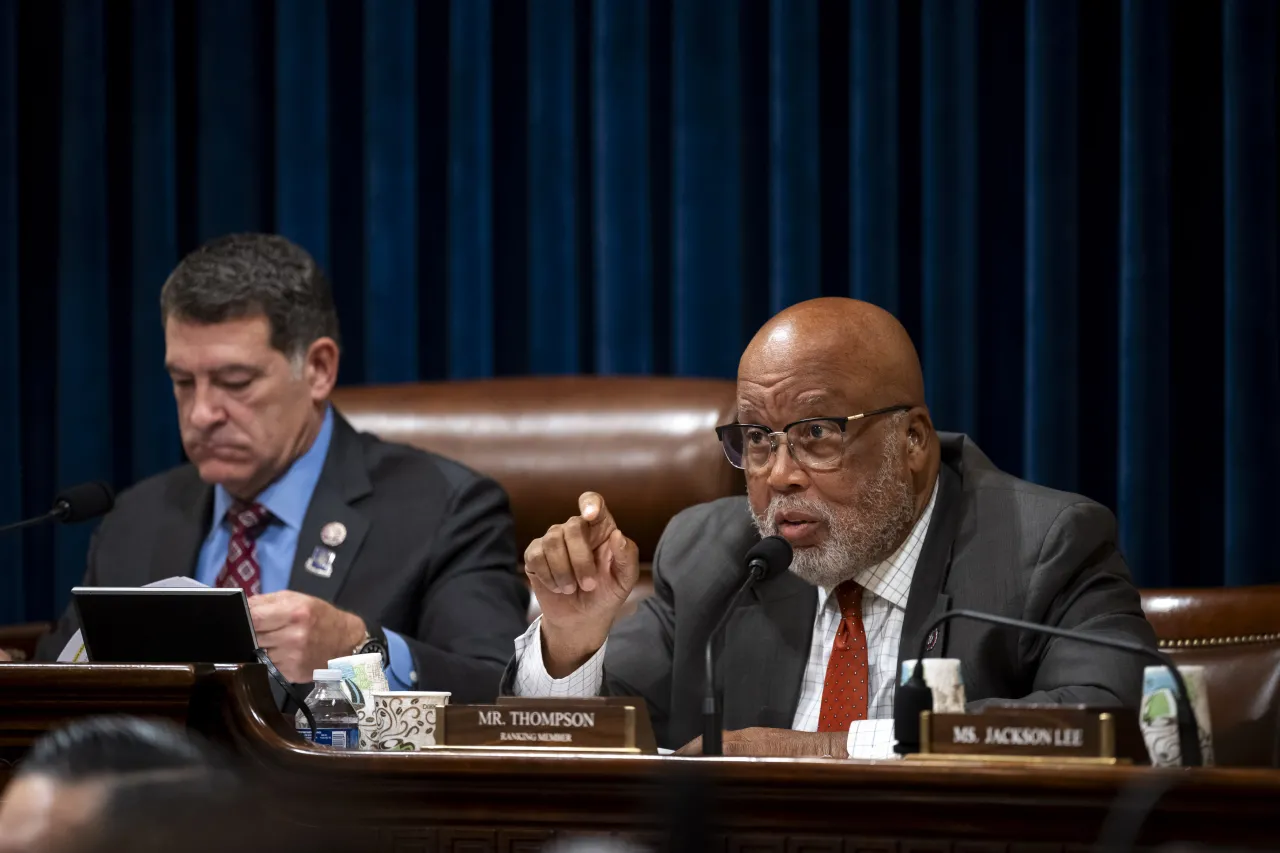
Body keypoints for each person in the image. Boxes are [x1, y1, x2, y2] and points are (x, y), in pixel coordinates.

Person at [508, 297, 1157, 756]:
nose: (779, 475)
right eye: (759, 439)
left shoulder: (1044, 543)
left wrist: (830, 747)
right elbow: (603, 744)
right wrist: (570, 638)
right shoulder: (712, 553)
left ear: (913, 441)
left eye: (816, 434)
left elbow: (1107, 717)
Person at [35, 233, 529, 701]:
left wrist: (359, 648)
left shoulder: (443, 507)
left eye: (235, 381)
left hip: (333, 789)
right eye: (184, 382)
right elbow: (55, 686)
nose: (202, 413)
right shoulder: (136, 517)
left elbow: (496, 690)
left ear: (318, 369)